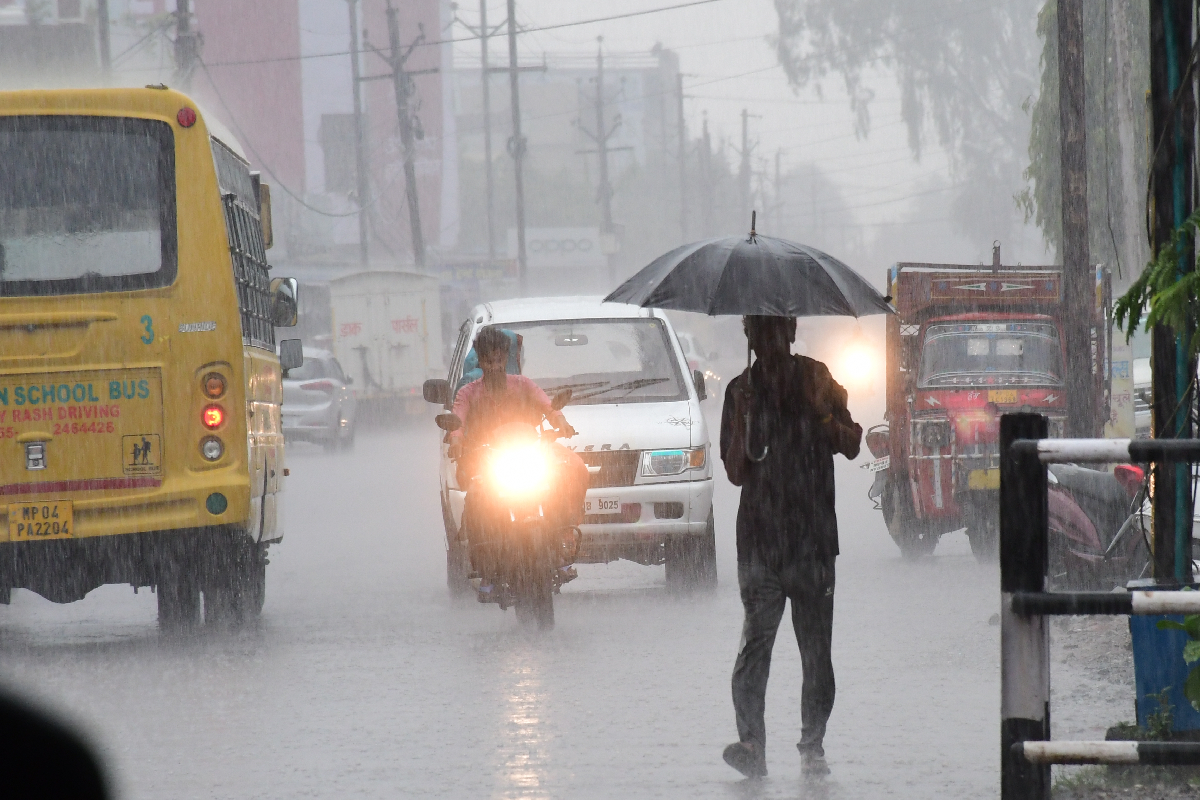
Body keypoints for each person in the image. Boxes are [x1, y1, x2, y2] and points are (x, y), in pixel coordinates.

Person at [719, 315, 862, 779]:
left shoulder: (817, 377)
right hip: (760, 545)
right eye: (759, 333)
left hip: (813, 543)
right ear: (749, 337)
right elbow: (737, 470)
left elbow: (853, 442)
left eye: (776, 331)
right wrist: (743, 413)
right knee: (754, 648)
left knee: (815, 652)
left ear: (792, 332)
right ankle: (750, 743)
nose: (769, 342)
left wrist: (822, 412)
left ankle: (812, 744)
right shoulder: (740, 391)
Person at [448, 325, 588, 577]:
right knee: (478, 499)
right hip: (485, 459)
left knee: (573, 469)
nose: (495, 367)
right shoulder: (467, 393)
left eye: (499, 359)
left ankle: (564, 539)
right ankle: (486, 564)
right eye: (488, 361)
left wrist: (560, 421)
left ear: (507, 358)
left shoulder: (523, 385)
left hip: (528, 454)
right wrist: (457, 441)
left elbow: (548, 406)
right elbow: (457, 422)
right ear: (480, 361)